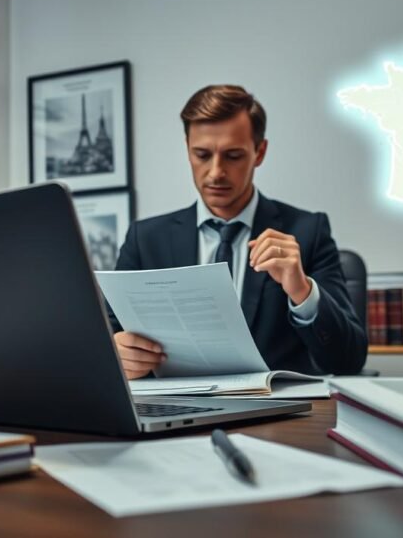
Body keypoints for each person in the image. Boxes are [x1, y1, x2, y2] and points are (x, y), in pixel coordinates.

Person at [110, 84, 367, 378]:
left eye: (233, 156)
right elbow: (106, 336)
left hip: (277, 415)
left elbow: (349, 361)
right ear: (187, 150)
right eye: (202, 155)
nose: (216, 171)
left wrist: (302, 291)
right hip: (177, 414)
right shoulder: (145, 239)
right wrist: (117, 352)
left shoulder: (309, 232)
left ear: (259, 152)